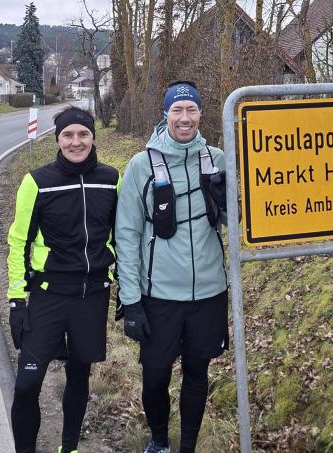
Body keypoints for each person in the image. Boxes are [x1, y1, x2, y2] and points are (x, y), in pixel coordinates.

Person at [114, 81, 229, 453]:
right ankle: (160, 441)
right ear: (165, 115)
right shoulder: (141, 165)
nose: (184, 118)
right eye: (177, 111)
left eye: (191, 110)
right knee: (155, 376)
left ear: (201, 114)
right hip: (159, 295)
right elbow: (127, 234)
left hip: (209, 292)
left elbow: (236, 221)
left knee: (198, 373)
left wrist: (226, 202)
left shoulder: (217, 159)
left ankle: (188, 447)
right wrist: (130, 301)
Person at [7, 107, 119, 453]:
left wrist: (122, 286)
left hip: (92, 296)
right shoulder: (37, 182)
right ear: (57, 140)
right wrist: (16, 300)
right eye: (68, 135)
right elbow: (18, 242)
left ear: (93, 137)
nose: (76, 142)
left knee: (79, 377)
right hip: (47, 296)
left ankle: (68, 448)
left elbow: (121, 237)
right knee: (27, 384)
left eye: (82, 134)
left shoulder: (111, 178)